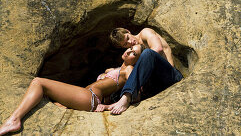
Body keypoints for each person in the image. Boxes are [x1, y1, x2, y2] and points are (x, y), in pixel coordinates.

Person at [0, 44, 146, 136]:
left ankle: (14, 120)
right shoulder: (112, 69)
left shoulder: (129, 70)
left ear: (138, 60)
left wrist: (108, 107)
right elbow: (109, 90)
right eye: (130, 48)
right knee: (51, 107)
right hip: (86, 95)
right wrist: (106, 103)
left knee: (39, 83)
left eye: (134, 53)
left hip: (89, 97)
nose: (129, 52)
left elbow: (135, 94)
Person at [99, 27, 183, 114]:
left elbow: (158, 49)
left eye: (128, 38)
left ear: (128, 31)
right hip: (157, 84)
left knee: (148, 53)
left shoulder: (144, 33)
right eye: (125, 44)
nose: (129, 42)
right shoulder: (134, 50)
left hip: (170, 76)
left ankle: (126, 97)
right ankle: (112, 102)